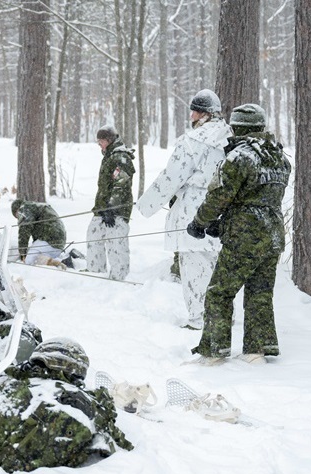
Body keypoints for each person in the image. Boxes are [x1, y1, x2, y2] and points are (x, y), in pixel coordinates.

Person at [186, 103, 291, 364]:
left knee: (220, 292)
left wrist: (200, 222)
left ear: (238, 127)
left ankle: (213, 352)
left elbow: (219, 196)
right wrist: (223, 224)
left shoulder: (239, 157)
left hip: (245, 237)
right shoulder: (279, 158)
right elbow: (260, 198)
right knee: (260, 293)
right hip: (273, 234)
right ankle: (258, 351)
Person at [136, 89, 232, 329]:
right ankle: (221, 318)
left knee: (194, 269)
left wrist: (146, 205)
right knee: (217, 269)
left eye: (194, 111)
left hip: (194, 212)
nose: (191, 116)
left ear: (202, 114)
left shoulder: (193, 141)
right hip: (223, 210)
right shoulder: (231, 137)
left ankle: (200, 319)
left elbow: (172, 177)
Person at [87, 125, 135, 280]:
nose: (99, 144)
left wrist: (112, 208)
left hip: (117, 211)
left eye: (100, 141)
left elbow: (121, 184)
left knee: (116, 244)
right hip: (101, 209)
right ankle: (96, 274)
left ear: (108, 140)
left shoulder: (120, 156)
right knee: (93, 237)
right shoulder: (109, 155)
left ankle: (119, 278)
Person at [11, 199, 67, 267]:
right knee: (38, 259)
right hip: (58, 245)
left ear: (17, 210)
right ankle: (55, 263)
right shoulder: (37, 206)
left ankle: (54, 264)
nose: (18, 218)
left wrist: (22, 252)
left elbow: (24, 230)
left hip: (48, 238)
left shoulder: (25, 208)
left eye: (16, 216)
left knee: (28, 262)